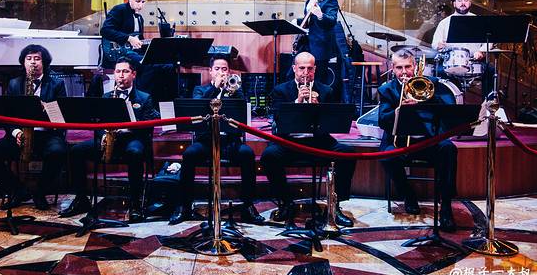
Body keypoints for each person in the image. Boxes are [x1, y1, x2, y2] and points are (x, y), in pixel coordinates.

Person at [260, 52, 355, 227]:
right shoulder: (281, 91)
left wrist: (319, 108)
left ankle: (335, 206)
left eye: (309, 69)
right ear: (294, 68)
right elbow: (278, 121)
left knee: (347, 153)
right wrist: (297, 102)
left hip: (318, 142)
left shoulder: (326, 91)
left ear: (315, 69)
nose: (305, 73)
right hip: (289, 143)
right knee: (269, 156)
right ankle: (286, 203)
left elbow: (332, 122)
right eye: (302, 68)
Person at [59, 57, 159, 222]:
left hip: (133, 138)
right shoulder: (106, 97)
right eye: (118, 72)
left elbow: (148, 127)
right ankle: (81, 199)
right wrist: (103, 136)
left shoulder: (144, 98)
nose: (121, 75)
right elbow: (98, 123)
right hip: (109, 139)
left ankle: (135, 203)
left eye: (125, 71)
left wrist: (128, 127)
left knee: (134, 152)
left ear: (133, 74)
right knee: (76, 151)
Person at [169, 55, 264, 225]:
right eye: (217, 69)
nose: (221, 72)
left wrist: (228, 91)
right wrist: (215, 89)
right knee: (189, 154)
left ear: (229, 72)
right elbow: (199, 107)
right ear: (211, 71)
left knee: (248, 154)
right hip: (206, 141)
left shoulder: (236, 90)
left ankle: (248, 206)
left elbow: (242, 112)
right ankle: (184, 206)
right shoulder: (200, 90)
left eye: (224, 69)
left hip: (230, 141)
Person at [0, 44, 67, 210]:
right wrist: (16, 133)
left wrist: (46, 108)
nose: (33, 62)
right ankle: (17, 189)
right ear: (23, 62)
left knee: (58, 152)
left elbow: (62, 118)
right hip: (20, 134)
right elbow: (6, 116)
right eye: (29, 58)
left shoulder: (56, 84)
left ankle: (40, 191)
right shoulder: (14, 84)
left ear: (44, 63)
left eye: (37, 59)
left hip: (47, 134)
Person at [377, 49, 458, 231]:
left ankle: (446, 206)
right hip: (400, 141)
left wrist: (426, 100)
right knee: (386, 156)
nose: (404, 72)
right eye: (399, 68)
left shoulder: (432, 84)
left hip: (428, 140)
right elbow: (382, 120)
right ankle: (408, 194)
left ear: (415, 66)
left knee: (449, 149)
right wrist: (399, 109)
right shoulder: (387, 90)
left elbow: (447, 110)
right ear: (392, 68)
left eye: (408, 67)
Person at [100, 0, 175, 102]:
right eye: (138, 1)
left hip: (134, 52)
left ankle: (159, 100)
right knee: (148, 65)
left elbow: (140, 40)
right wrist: (129, 38)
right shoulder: (119, 10)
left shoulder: (139, 18)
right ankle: (142, 99)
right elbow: (105, 30)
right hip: (120, 53)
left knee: (167, 65)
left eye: (143, 2)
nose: (140, 5)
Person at [431, 0, 493, 97]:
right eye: (460, 0)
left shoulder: (479, 20)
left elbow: (489, 41)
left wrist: (481, 51)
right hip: (451, 61)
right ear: (454, 3)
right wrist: (439, 45)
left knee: (490, 70)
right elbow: (434, 44)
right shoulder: (445, 23)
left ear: (470, 3)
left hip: (474, 61)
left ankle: (487, 103)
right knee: (439, 71)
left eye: (466, 0)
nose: (463, 3)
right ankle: (450, 102)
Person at [293, 0, 339, 87]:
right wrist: (296, 21)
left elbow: (332, 20)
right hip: (306, 45)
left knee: (318, 82)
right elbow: (310, 21)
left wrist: (320, 15)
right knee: (295, 76)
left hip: (320, 48)